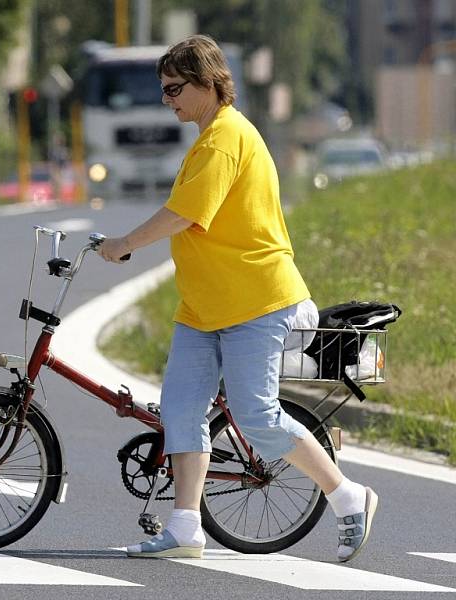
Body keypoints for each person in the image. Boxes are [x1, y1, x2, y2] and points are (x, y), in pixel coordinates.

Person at [97, 34, 377, 563]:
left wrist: (124, 245)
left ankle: (348, 497)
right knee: (181, 409)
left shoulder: (225, 137)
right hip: (205, 308)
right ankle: (185, 528)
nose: (167, 100)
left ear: (208, 83)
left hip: (258, 302)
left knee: (257, 415)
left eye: (175, 88)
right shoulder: (209, 138)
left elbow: (186, 213)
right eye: (164, 91)